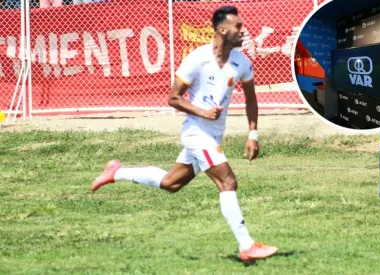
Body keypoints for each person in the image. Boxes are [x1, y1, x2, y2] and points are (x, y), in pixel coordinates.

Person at [91, 5, 278, 262]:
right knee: (227, 182)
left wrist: (253, 134)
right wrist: (203, 113)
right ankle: (246, 245)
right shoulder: (197, 59)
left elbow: (251, 99)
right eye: (238, 26)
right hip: (195, 133)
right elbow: (173, 97)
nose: (243, 31)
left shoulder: (241, 62)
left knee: (172, 183)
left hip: (213, 136)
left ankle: (116, 172)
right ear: (222, 30)